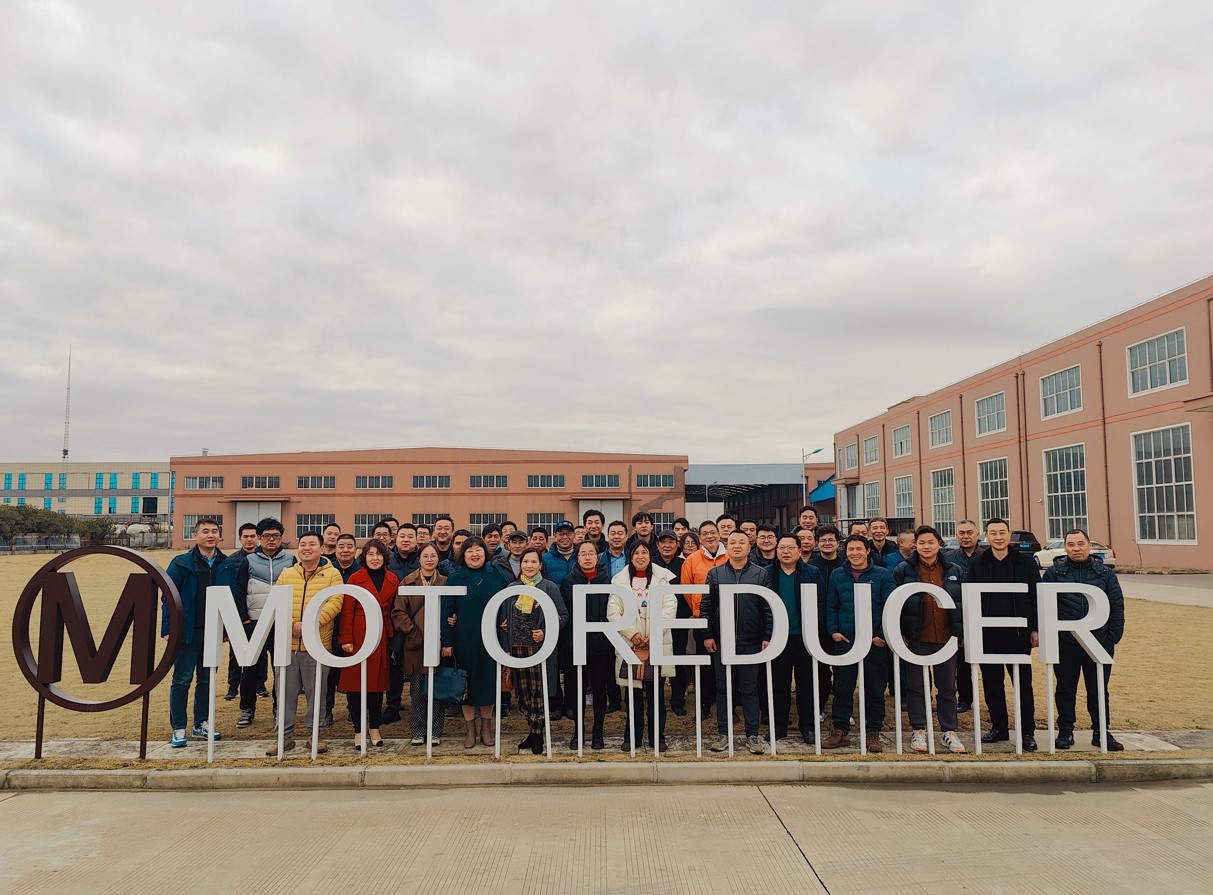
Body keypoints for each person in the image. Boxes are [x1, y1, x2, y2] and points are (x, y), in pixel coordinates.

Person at [1041, 528, 1125, 751]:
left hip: (1098, 642)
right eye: (1071, 544)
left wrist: (1112, 637)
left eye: (1080, 544)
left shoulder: (1104, 573)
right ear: (1065, 547)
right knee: (1065, 689)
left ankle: (1101, 732)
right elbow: (1045, 607)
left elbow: (1116, 604)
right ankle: (1065, 732)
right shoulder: (1054, 573)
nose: (1076, 548)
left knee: (1098, 689)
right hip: (1066, 643)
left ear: (1089, 546)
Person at [891, 526, 967, 754]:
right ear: (915, 545)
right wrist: (900, 632)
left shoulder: (954, 570)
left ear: (939, 544)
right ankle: (919, 730)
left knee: (947, 686)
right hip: (916, 637)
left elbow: (963, 603)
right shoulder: (904, 570)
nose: (926, 547)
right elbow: (896, 605)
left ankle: (949, 731)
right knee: (916, 686)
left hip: (946, 637)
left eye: (930, 542)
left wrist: (961, 632)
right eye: (922, 543)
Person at [268, 531, 344, 755]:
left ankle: (316, 735)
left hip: (317, 645)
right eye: (303, 544)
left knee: (317, 693)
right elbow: (276, 602)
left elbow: (335, 602)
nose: (307, 548)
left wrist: (310, 624)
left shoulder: (333, 574)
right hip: (289, 645)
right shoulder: (287, 574)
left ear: (322, 548)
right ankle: (284, 736)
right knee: (285, 693)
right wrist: (292, 625)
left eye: (312, 544)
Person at [967, 518, 1039, 751]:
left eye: (1002, 532)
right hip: (987, 633)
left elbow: (1036, 596)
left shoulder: (1026, 563)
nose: (998, 537)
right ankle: (999, 728)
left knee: (1023, 685)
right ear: (986, 536)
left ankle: (1027, 733)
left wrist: (1036, 628)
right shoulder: (978, 564)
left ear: (1009, 535)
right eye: (993, 533)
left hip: (1018, 634)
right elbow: (970, 599)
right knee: (992, 684)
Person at [163, 517, 233, 747]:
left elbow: (231, 597)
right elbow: (168, 596)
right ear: (196, 535)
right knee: (182, 679)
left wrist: (227, 628)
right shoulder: (181, 562)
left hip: (213, 630)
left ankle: (201, 723)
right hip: (187, 631)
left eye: (214, 531)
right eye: (205, 531)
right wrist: (168, 628)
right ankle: (179, 727)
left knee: (206, 679)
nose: (210, 535)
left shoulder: (226, 563)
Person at [703, 530, 773, 754]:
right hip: (722, 642)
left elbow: (768, 608)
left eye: (741, 542)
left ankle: (752, 735)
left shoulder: (761, 574)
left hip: (751, 642)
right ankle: (724, 734)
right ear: (727, 546)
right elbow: (706, 606)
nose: (737, 546)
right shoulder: (715, 574)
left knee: (750, 689)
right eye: (732, 542)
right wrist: (707, 634)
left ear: (749, 546)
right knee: (724, 688)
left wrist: (767, 636)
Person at [822, 535, 894, 752]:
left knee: (875, 690)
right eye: (850, 549)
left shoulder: (882, 575)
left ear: (867, 550)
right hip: (846, 642)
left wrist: (881, 635)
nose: (855, 553)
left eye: (859, 549)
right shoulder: (837, 575)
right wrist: (834, 632)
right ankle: (840, 730)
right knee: (842, 689)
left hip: (874, 643)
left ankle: (873, 732)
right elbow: (831, 606)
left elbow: (890, 606)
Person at [442, 537, 513, 749]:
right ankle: (470, 730)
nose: (475, 554)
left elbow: (508, 601)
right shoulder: (455, 578)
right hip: (464, 638)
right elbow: (446, 611)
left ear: (485, 553)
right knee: (467, 685)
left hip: (491, 639)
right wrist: (447, 642)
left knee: (488, 684)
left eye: (478, 550)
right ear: (462, 555)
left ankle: (486, 728)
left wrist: (506, 620)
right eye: (469, 550)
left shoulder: (497, 574)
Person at [609, 542, 677, 751]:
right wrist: (633, 634)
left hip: (657, 643)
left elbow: (670, 607)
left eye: (644, 552)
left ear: (650, 555)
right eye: (636, 553)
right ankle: (632, 737)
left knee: (657, 695)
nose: (640, 556)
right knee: (633, 695)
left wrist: (653, 633)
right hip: (631, 645)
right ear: (630, 557)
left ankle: (658, 737)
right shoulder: (619, 581)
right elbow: (613, 612)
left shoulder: (662, 579)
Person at [502, 547, 568, 754]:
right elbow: (504, 616)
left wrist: (546, 632)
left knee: (539, 693)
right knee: (524, 694)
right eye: (525, 562)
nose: (529, 566)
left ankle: (538, 735)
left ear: (540, 565)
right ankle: (532, 731)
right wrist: (505, 625)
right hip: (517, 649)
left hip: (540, 649)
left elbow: (563, 615)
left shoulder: (549, 587)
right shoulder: (512, 588)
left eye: (533, 562)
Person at [234, 517, 297, 728]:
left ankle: (279, 708)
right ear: (260, 538)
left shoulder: (290, 560)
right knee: (250, 668)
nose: (271, 539)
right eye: (267, 536)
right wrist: (244, 617)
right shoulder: (249, 561)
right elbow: (240, 590)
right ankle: (247, 709)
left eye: (276, 536)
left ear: (281, 537)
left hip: (281, 623)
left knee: (281, 668)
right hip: (255, 621)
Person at [767, 534, 827, 743]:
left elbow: (820, 603)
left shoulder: (812, 572)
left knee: (807, 684)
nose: (786, 552)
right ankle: (779, 726)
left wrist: (817, 633)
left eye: (790, 548)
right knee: (779, 684)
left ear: (800, 551)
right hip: (778, 638)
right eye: (781, 548)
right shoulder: (768, 573)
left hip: (805, 638)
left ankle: (808, 727)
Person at [338, 539, 397, 749]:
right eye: (370, 554)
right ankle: (358, 730)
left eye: (379, 554)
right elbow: (347, 611)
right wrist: (346, 639)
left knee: (377, 685)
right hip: (358, 634)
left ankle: (375, 728)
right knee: (356, 685)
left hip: (381, 635)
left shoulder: (392, 579)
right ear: (364, 557)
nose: (375, 558)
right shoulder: (355, 578)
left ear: (385, 556)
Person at [393, 543, 448, 746]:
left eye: (433, 556)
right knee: (416, 691)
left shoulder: (446, 582)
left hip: (439, 644)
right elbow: (398, 612)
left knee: (437, 691)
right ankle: (417, 731)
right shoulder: (407, 582)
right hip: (415, 644)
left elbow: (451, 609)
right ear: (419, 559)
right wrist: (412, 631)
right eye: (425, 556)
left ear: (438, 558)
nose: (429, 559)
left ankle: (435, 731)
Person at [562, 540, 613, 749]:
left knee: (600, 688)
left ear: (597, 556)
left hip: (602, 643)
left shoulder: (608, 579)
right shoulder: (569, 581)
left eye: (591, 553)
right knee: (578, 689)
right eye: (583, 553)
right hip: (576, 643)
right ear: (577, 557)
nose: (587, 557)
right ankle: (578, 732)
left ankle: (598, 732)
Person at [678, 521, 727, 717]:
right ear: (700, 537)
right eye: (705, 533)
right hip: (702, 619)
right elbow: (686, 589)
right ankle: (705, 703)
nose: (709, 536)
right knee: (705, 664)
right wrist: (698, 609)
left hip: (727, 618)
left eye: (712, 532)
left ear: (719, 534)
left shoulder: (729, 556)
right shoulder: (692, 560)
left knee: (725, 663)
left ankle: (726, 704)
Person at [945, 518, 985, 713]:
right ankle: (965, 699)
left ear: (977, 535)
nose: (966, 536)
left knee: (986, 662)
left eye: (970, 533)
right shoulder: (948, 558)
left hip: (984, 615)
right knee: (961, 662)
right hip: (958, 616)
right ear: (956, 536)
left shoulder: (986, 557)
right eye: (962, 533)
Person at [223, 523, 260, 701]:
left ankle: (260, 685)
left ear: (258, 538)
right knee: (235, 652)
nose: (249, 539)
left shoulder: (262, 558)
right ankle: (233, 686)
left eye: (253, 536)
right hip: (237, 613)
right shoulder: (231, 560)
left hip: (257, 612)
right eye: (246, 536)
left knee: (260, 651)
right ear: (240, 539)